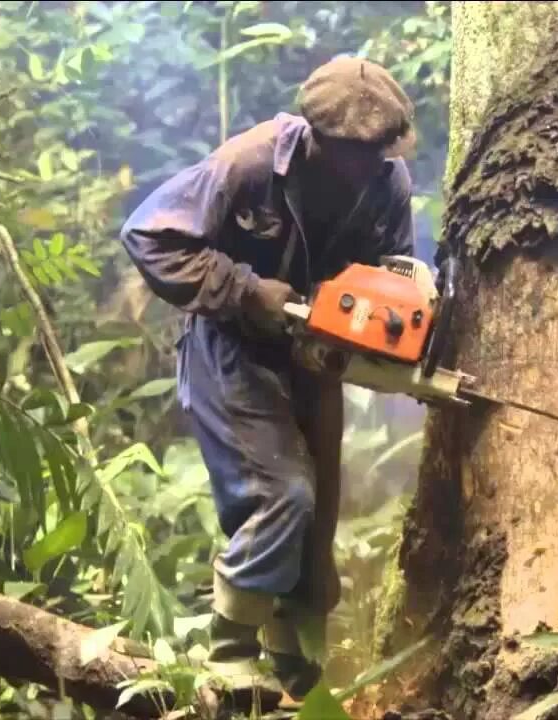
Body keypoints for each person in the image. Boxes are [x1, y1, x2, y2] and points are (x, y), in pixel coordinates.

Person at [119, 56, 417, 709]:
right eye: (348, 152)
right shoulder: (251, 163)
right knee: (283, 494)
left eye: (374, 153)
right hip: (231, 346)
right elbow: (148, 235)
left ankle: (291, 659)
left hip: (315, 358)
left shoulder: (389, 185)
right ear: (315, 137)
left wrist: (394, 328)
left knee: (317, 531)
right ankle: (229, 654)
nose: (361, 166)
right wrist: (245, 290)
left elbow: (396, 277)